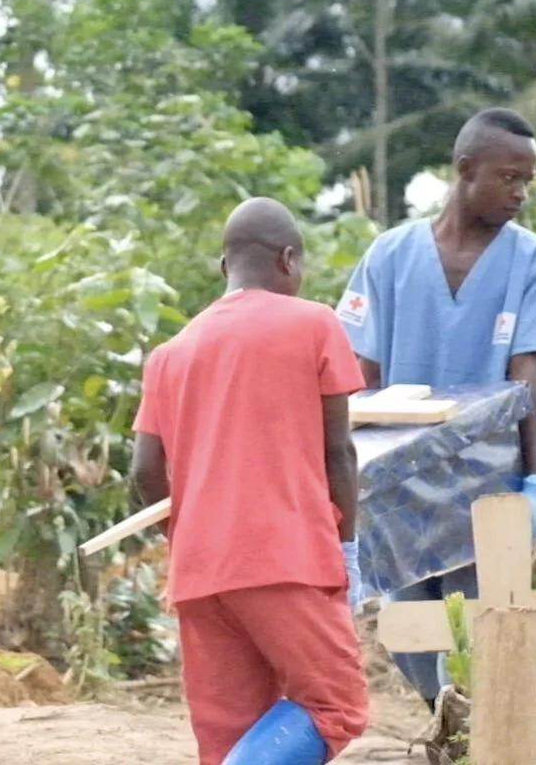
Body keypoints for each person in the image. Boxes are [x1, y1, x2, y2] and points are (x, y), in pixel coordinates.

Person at [335, 107, 536, 712]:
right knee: (410, 634)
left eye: (528, 179)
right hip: (401, 491)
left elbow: (530, 378)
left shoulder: (534, 262)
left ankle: (483, 737)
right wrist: (341, 478)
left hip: (487, 492)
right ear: (465, 169)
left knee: (481, 632)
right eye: (507, 177)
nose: (521, 192)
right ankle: (448, 725)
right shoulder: (389, 257)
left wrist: (532, 483)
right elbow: (355, 377)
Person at [132, 198, 370, 765]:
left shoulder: (170, 354)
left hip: (199, 571)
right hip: (285, 556)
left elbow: (144, 473)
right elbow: (337, 452)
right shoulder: (314, 323)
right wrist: (349, 549)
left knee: (229, 735)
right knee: (335, 705)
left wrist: (190, 535)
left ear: (224, 267)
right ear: (289, 260)